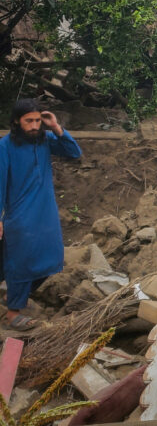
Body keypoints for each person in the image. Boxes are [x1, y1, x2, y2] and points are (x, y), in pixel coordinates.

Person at [0, 99, 81, 330]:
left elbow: (74, 152)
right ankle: (13, 314)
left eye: (37, 121)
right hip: (20, 216)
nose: (35, 126)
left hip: (46, 213)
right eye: (29, 121)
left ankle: (12, 296)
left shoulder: (45, 139)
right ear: (16, 121)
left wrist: (55, 127)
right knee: (21, 262)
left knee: (53, 258)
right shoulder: (5, 147)